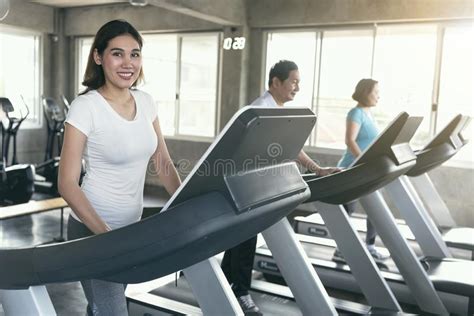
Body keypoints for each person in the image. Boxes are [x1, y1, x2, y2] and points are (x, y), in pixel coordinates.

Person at [58, 20, 181, 315]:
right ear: (99, 57)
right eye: (117, 54)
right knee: (113, 310)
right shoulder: (85, 107)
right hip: (92, 232)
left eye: (134, 54)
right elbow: (66, 183)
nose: (128, 63)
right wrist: (105, 235)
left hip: (130, 229)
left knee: (102, 307)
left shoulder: (146, 101)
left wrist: (186, 203)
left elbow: (163, 162)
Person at [221, 60, 340, 315]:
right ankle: (239, 293)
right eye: (293, 81)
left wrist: (317, 170)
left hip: (256, 185)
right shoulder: (260, 109)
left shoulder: (274, 108)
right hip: (244, 186)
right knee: (244, 240)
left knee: (238, 240)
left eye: (299, 82)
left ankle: (227, 285)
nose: (297, 87)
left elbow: (289, 146)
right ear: (276, 82)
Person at [332, 78, 389, 262]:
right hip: (352, 167)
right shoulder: (355, 113)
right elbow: (350, 140)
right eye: (375, 92)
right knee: (349, 210)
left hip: (367, 170)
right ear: (365, 92)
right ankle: (341, 249)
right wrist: (363, 161)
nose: (378, 96)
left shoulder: (369, 114)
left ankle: (370, 246)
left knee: (374, 209)